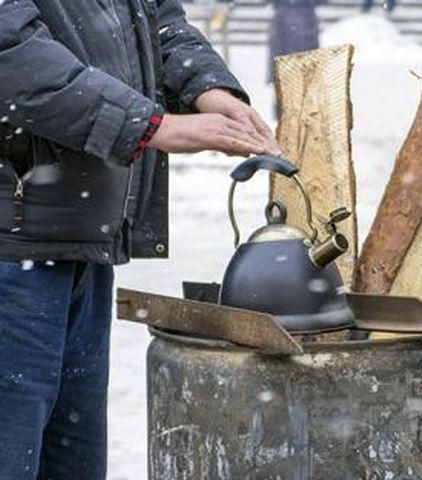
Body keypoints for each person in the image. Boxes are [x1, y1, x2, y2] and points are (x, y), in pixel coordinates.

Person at [0, 1, 278, 478]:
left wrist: (208, 88)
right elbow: (12, 52)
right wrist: (152, 125)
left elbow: (158, 19)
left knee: (71, 462)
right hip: (14, 249)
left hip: (80, 238)